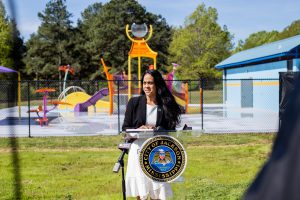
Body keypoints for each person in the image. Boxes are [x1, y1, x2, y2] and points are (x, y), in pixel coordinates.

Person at [122, 69, 182, 200]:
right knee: (141, 190)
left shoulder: (165, 104)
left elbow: (170, 130)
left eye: (150, 83)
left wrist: (155, 128)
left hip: (158, 150)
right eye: (144, 83)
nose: (146, 86)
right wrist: (140, 129)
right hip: (138, 149)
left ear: (157, 85)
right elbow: (125, 129)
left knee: (159, 190)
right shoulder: (134, 103)